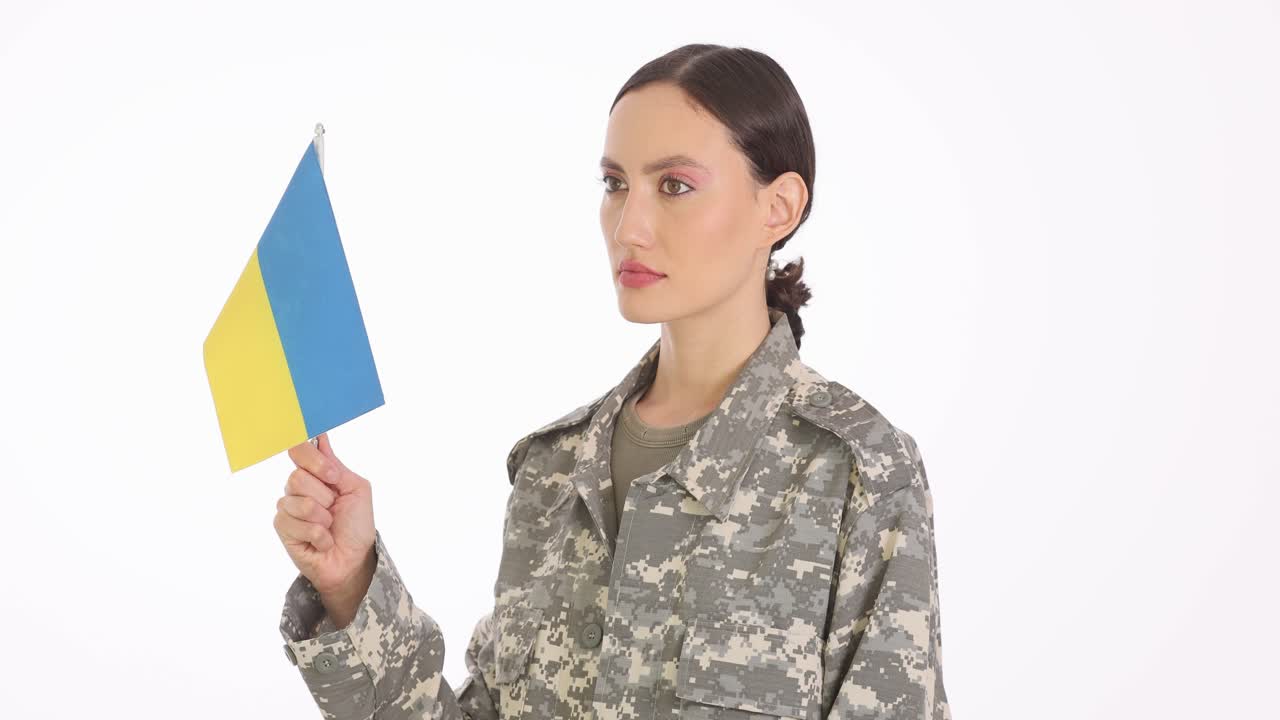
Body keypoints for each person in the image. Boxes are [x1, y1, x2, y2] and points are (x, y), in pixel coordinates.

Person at [273, 43, 950, 720]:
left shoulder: (856, 471)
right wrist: (352, 583)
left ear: (779, 207)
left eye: (675, 185)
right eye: (615, 184)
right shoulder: (555, 470)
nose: (630, 227)